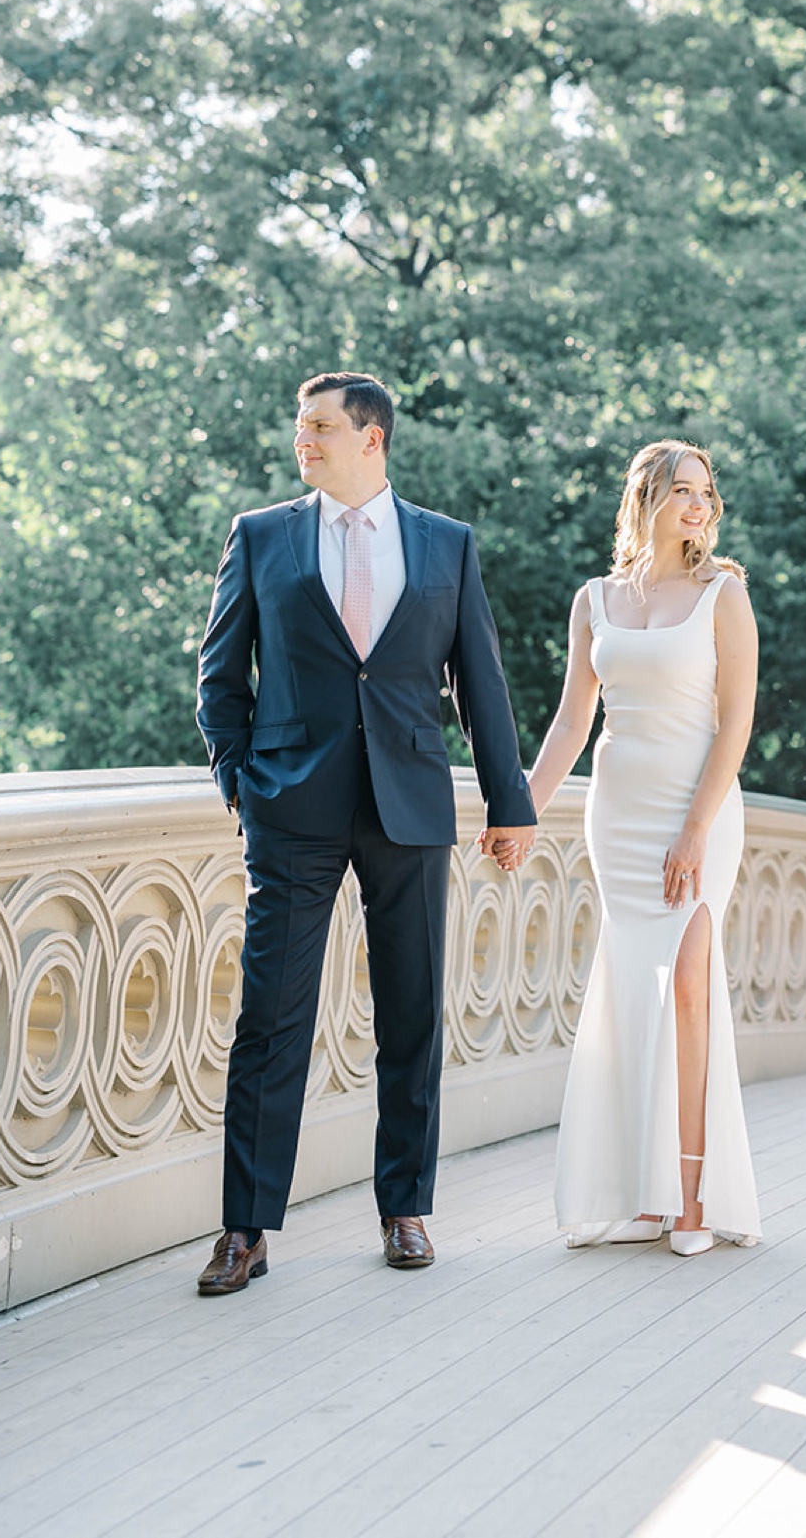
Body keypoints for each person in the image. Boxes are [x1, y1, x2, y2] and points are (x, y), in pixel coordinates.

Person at [193, 371, 536, 1293]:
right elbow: (220, 674)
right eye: (301, 427)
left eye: (320, 427)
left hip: (411, 807)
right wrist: (241, 783)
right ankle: (245, 1230)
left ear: (371, 438)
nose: (303, 440)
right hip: (291, 809)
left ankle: (406, 1210)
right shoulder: (260, 534)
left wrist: (511, 802)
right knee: (270, 1019)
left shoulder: (446, 545)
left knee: (413, 1013)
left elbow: (481, 683)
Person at [519, 440, 761, 1254]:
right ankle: (643, 1200)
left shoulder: (722, 594)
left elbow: (737, 723)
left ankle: (692, 1200)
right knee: (631, 995)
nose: (700, 506)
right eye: (683, 490)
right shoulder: (594, 600)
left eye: (706, 492)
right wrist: (521, 812)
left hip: (699, 809)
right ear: (646, 497)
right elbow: (569, 722)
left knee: (688, 988)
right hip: (617, 813)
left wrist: (695, 827)